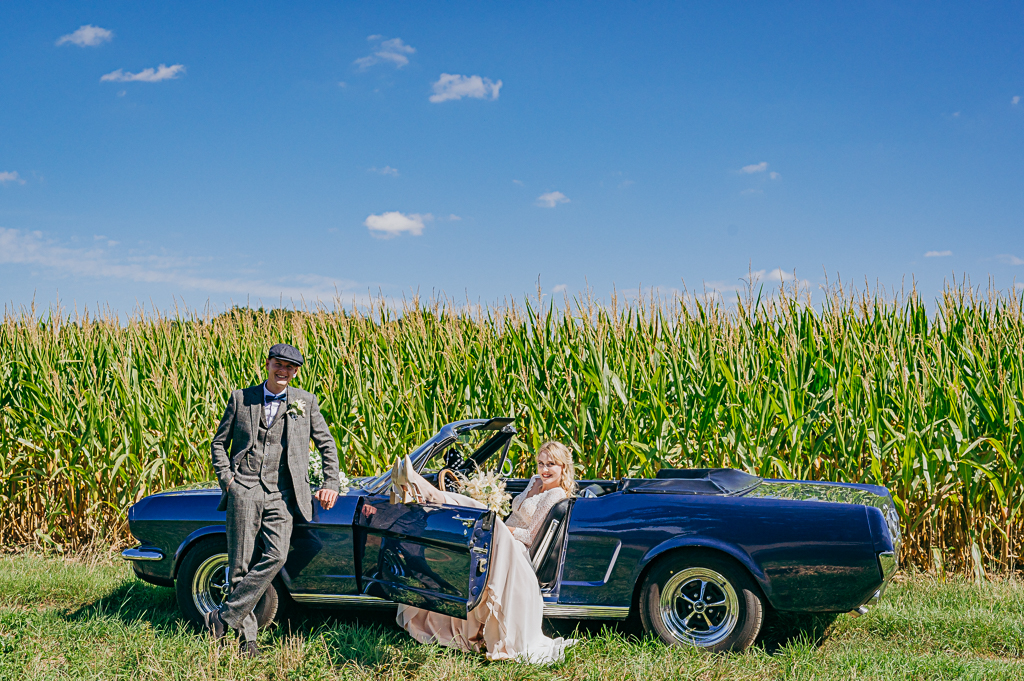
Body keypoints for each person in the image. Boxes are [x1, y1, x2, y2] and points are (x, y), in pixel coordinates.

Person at [206, 343, 341, 657]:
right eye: (279, 364)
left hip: (282, 493)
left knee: (277, 556)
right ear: (267, 364)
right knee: (239, 566)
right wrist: (229, 481)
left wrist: (331, 482)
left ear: (295, 372)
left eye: (290, 367)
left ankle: (223, 616)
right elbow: (218, 444)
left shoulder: (306, 401)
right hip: (244, 489)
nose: (284, 371)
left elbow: (327, 445)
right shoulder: (241, 398)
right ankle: (247, 641)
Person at [389, 441, 578, 664]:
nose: (544, 469)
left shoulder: (555, 494)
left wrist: (497, 527)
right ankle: (415, 489)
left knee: (477, 513)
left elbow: (529, 536)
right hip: (504, 540)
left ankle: (418, 485)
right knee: (472, 510)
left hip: (517, 549)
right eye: (541, 463)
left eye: (551, 464)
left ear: (563, 467)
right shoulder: (536, 482)